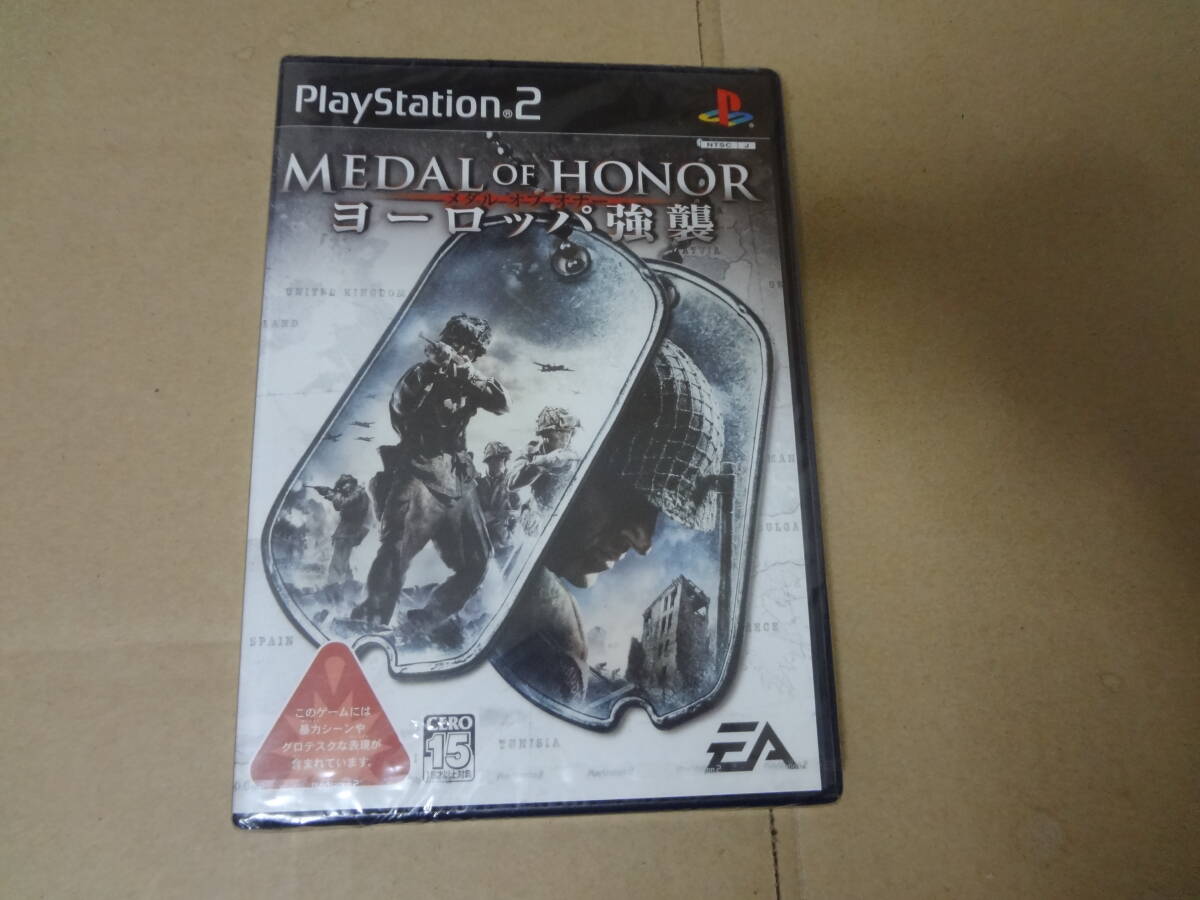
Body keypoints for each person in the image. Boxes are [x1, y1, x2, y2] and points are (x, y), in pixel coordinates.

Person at [492, 341, 725, 704]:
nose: (642, 543)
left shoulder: (544, 608)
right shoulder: (548, 633)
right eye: (626, 496)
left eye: (654, 512)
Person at [353, 313, 510, 630]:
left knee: (477, 562)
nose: (467, 354)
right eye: (461, 346)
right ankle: (370, 621)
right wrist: (430, 370)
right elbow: (400, 408)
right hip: (420, 473)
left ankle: (423, 621)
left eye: (472, 351)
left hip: (459, 481)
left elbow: (501, 403)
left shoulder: (467, 377)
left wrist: (465, 372)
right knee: (395, 552)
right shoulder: (422, 375)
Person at [507, 406, 581, 534]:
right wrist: (543, 462)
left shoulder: (574, 454)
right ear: (545, 434)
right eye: (559, 432)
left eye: (569, 432)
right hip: (540, 516)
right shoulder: (530, 452)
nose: (566, 438)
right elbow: (512, 483)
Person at [312, 475, 371, 584]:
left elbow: (344, 503)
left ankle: (333, 584)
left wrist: (331, 494)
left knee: (338, 560)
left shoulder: (358, 493)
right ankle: (348, 583)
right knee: (343, 559)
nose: (344, 487)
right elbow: (338, 507)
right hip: (348, 531)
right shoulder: (355, 494)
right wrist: (329, 493)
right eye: (342, 486)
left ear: (352, 482)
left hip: (349, 531)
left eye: (345, 484)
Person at [477, 441, 520, 559]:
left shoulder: (511, 483)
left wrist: (499, 516)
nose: (502, 463)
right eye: (499, 459)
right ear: (489, 461)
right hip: (483, 546)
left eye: (504, 459)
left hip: (506, 545)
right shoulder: (478, 484)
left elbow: (518, 513)